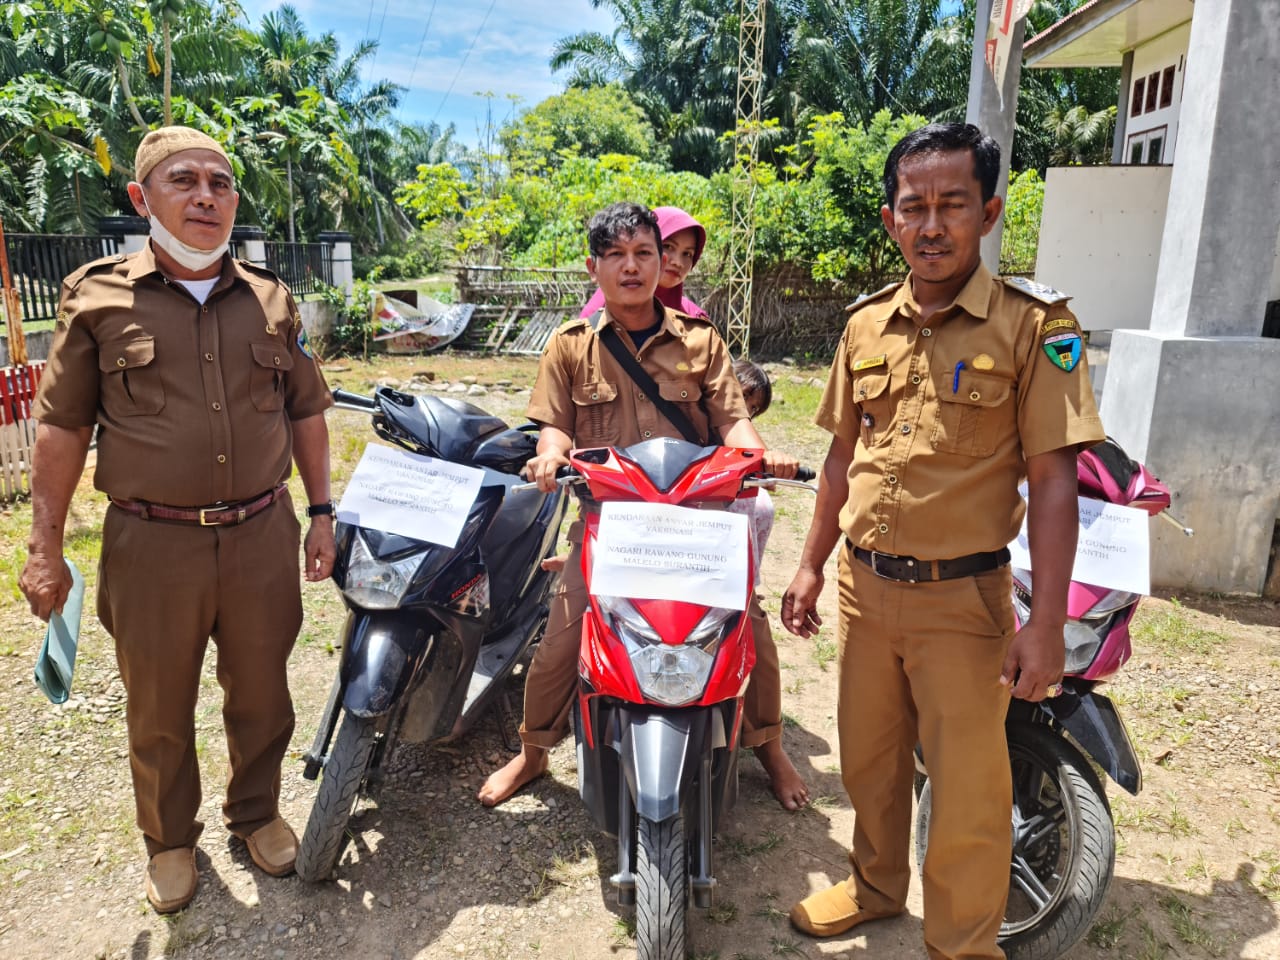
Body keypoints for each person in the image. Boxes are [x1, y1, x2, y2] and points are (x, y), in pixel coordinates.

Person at [780, 123, 1105, 960]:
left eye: (952, 204)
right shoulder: (864, 326)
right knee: (871, 760)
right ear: (890, 220)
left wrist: (1046, 624)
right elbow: (841, 457)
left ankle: (962, 944)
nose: (931, 225)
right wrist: (812, 564)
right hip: (864, 589)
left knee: (967, 790)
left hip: (964, 599)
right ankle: (878, 886)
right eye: (913, 206)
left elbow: (1056, 479)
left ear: (988, 212)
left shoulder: (1035, 326)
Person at [19, 126, 337, 914]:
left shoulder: (269, 298)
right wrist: (44, 549)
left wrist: (322, 512)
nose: (205, 196)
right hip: (150, 539)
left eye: (220, 183)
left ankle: (256, 814)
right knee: (158, 703)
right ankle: (168, 839)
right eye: (183, 180)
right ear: (141, 198)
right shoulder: (97, 296)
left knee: (263, 691)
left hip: (263, 531)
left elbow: (307, 411)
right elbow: (60, 428)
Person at [478, 201, 808, 811]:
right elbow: (553, 428)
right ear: (593, 266)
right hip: (612, 525)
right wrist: (549, 456)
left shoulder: (702, 342)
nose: (631, 268)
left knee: (747, 628)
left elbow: (735, 425)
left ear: (663, 264)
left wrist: (765, 459)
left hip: (699, 526)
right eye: (616, 256)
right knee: (561, 637)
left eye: (644, 254)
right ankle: (533, 752)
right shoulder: (569, 347)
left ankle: (768, 747)